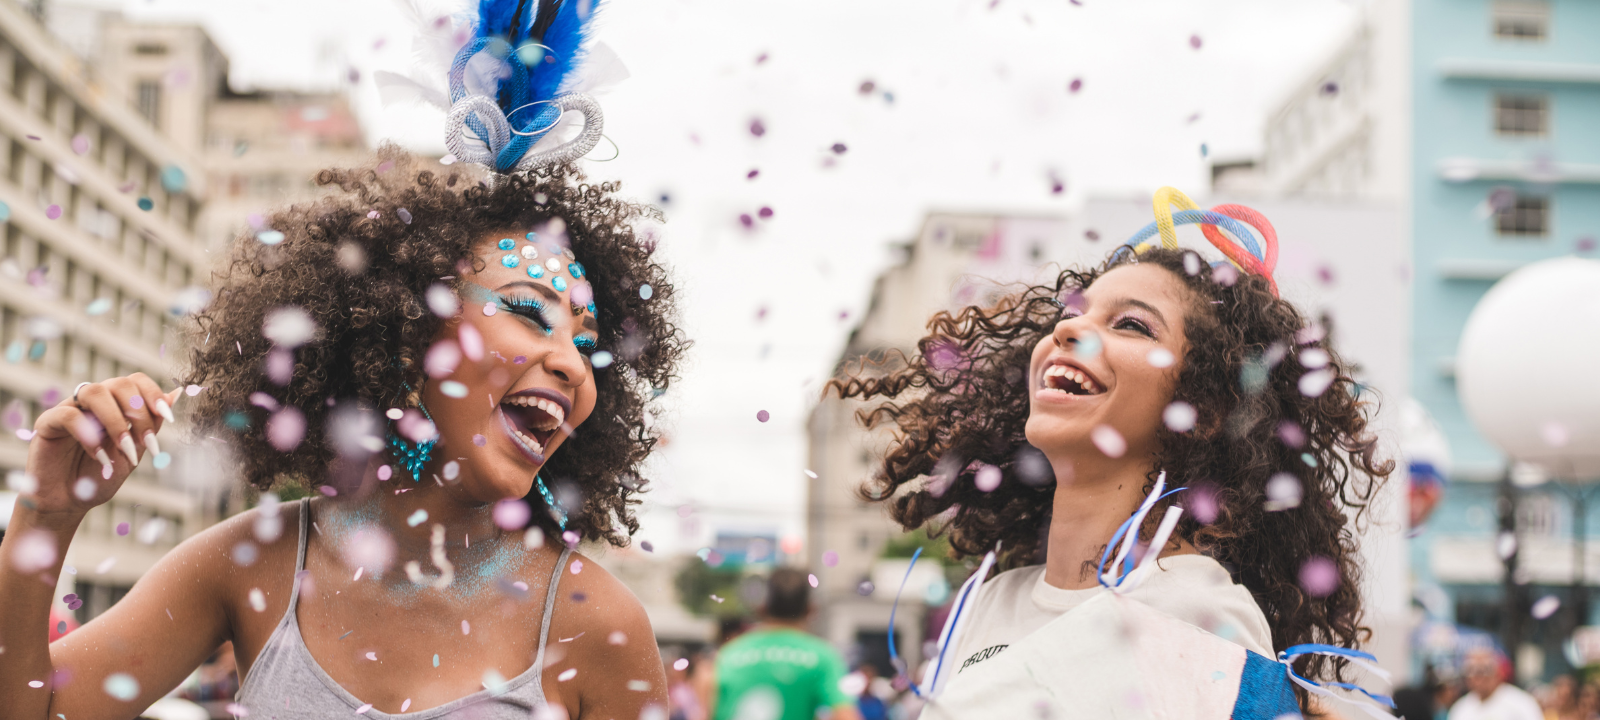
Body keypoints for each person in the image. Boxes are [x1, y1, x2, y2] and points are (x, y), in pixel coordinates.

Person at [0, 140, 685, 719]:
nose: (572, 364)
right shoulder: (253, 561)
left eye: (590, 347)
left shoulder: (595, 623)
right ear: (407, 332)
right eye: (530, 314)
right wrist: (44, 518)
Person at [827, 194, 1393, 715]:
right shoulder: (987, 601)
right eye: (1071, 314)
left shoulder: (1200, 615)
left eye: (1131, 325)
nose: (1070, 330)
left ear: (1206, 407)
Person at [709, 568, 862, 720]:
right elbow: (846, 715)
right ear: (811, 610)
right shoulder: (821, 658)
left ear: (762, 607)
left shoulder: (728, 655)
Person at [1449, 648, 1542, 720]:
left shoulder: (1521, 703)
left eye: (1483, 671)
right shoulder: (1461, 709)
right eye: (1471, 671)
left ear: (1497, 673)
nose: (1477, 678)